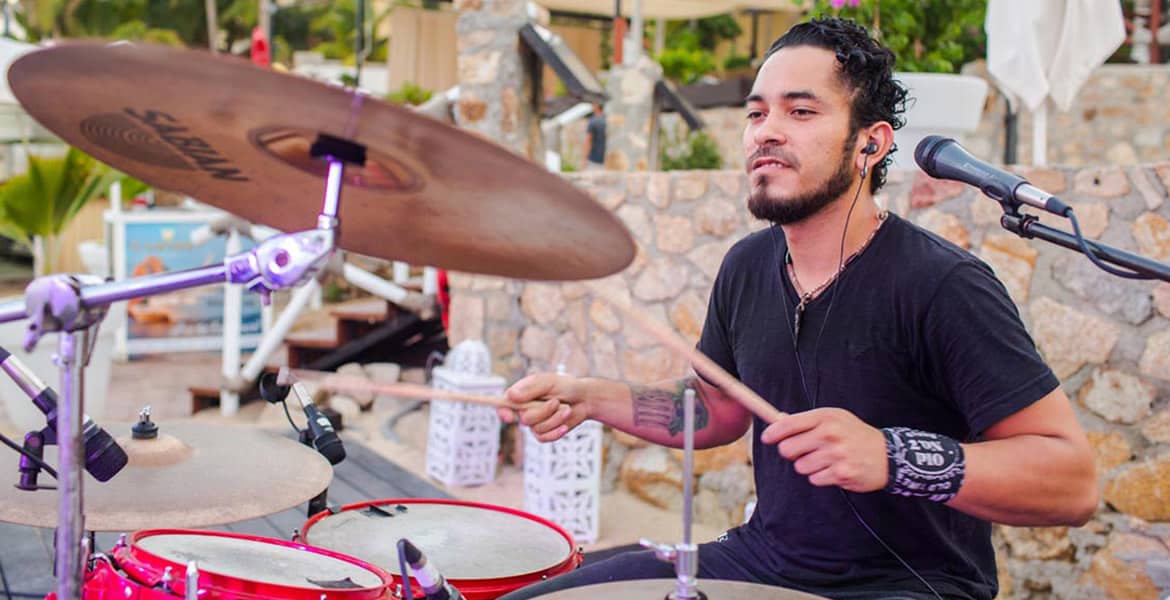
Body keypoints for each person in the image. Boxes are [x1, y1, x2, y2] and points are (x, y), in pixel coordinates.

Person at [496, 17, 1098, 600]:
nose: (766, 130)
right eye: (756, 112)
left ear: (870, 142)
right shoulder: (747, 266)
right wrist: (590, 398)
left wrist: (892, 457)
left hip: (909, 586)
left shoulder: (944, 285)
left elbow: (1071, 483)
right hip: (763, 561)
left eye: (800, 111)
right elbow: (718, 409)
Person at [584, 103, 606, 170]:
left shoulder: (593, 121)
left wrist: (584, 158)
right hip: (606, 159)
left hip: (594, 160)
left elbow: (588, 141)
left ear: (597, 106)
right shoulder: (607, 120)